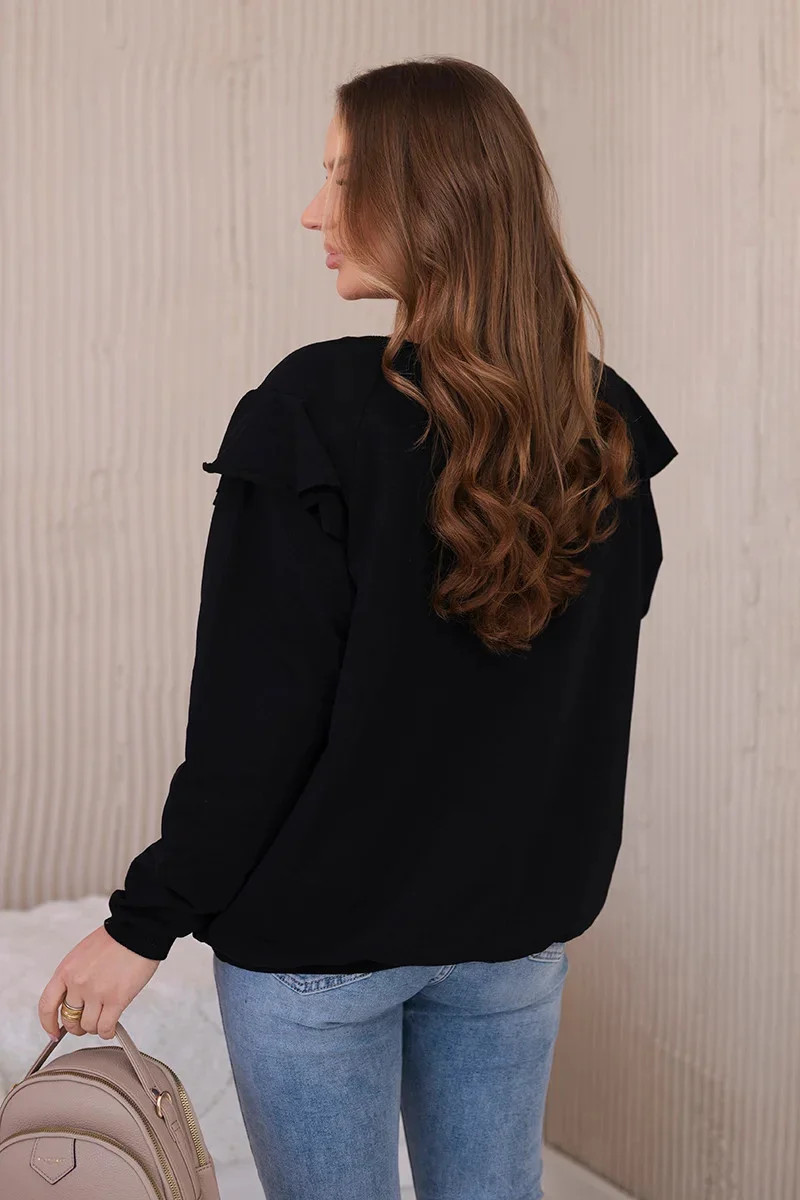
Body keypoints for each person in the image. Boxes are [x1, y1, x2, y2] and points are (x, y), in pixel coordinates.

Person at [38, 56, 678, 1200]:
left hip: (320, 951)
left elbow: (254, 721)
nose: (311, 211)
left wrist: (140, 926)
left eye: (342, 176)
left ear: (429, 198)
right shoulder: (601, 418)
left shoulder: (313, 413)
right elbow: (586, 679)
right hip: (514, 933)